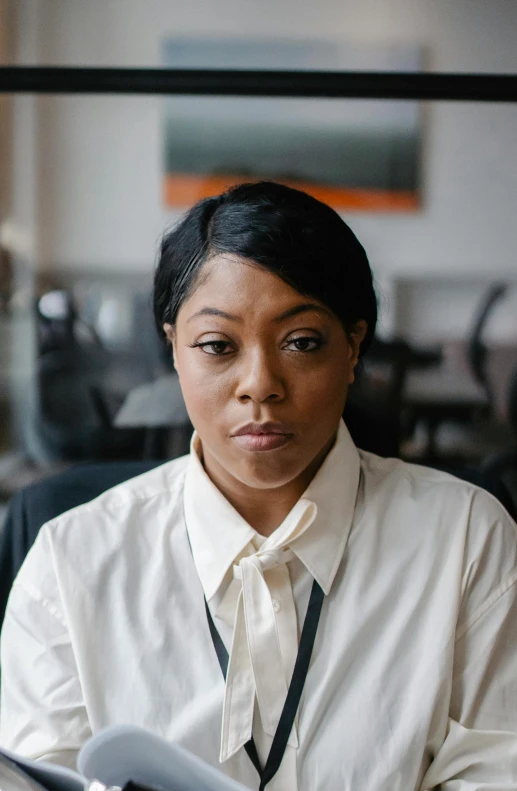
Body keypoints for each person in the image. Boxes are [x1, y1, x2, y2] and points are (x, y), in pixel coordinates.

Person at [1, 182, 517, 791]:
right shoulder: (72, 560)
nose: (259, 385)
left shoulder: (466, 538)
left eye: (301, 343)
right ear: (174, 349)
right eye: (217, 346)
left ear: (353, 347)